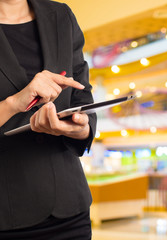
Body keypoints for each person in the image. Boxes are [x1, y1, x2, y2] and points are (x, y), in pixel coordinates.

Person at [0, 0, 97, 239]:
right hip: (7, 214)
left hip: (70, 209)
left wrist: (79, 128)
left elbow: (82, 93)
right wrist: (14, 103)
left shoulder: (60, 15)